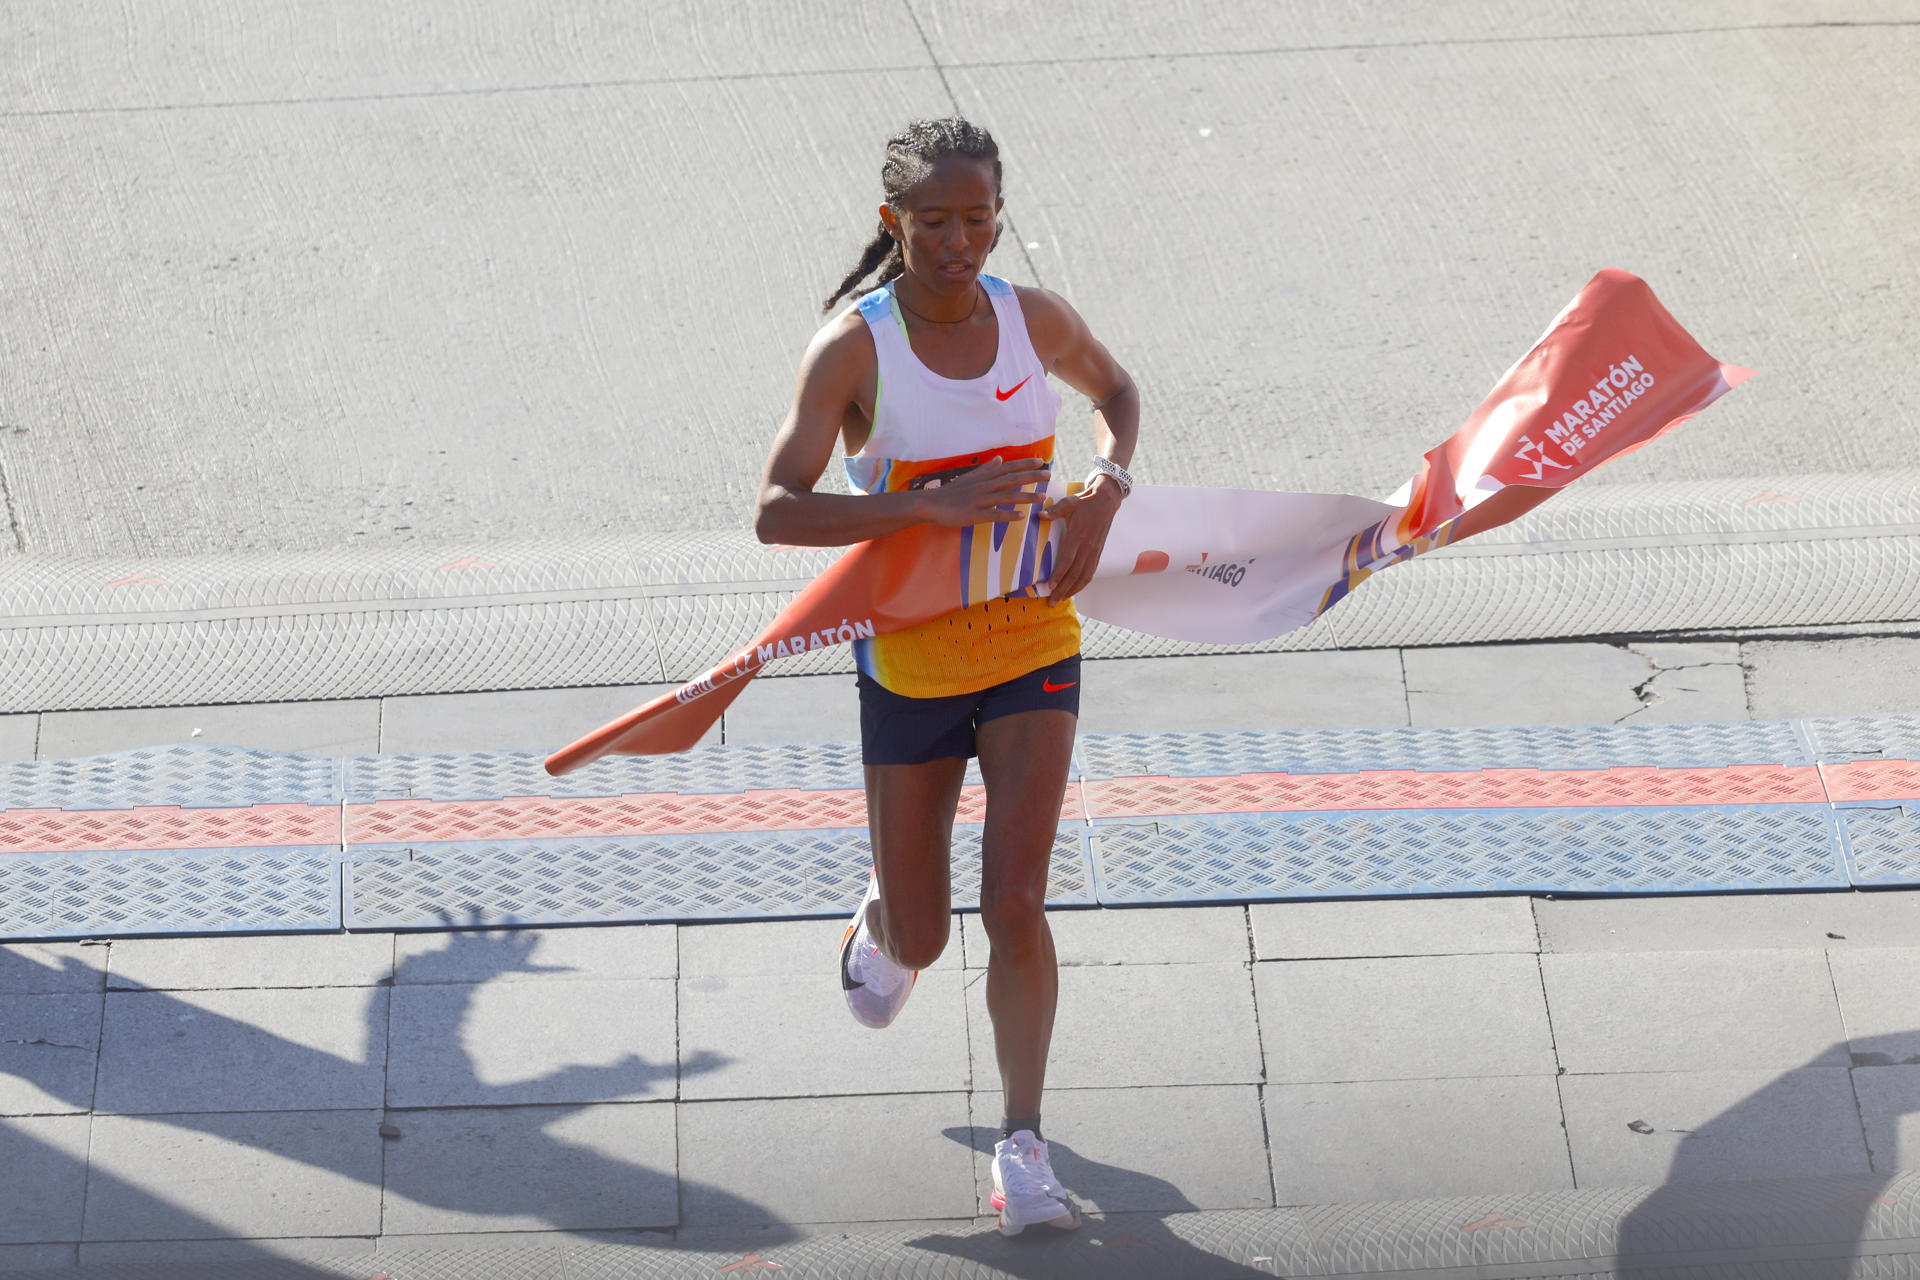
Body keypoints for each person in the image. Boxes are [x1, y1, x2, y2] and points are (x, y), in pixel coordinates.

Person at [753, 118, 1138, 1237]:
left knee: (1014, 901)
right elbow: (777, 509)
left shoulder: (1036, 319)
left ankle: (1025, 1146)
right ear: (894, 224)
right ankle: (882, 915)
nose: (958, 242)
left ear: (999, 217)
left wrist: (1106, 484)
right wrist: (926, 502)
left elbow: (1118, 394)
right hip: (912, 657)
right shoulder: (854, 348)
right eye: (933, 223)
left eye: (978, 219)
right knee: (921, 943)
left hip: (1032, 639)